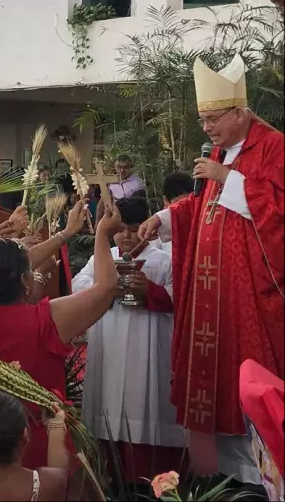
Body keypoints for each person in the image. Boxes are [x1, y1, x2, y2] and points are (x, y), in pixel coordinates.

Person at [138, 55, 284, 484]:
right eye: (202, 121)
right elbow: (203, 205)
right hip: (210, 297)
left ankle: (263, 482)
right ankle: (214, 479)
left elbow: (277, 211)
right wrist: (164, 219)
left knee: (252, 384)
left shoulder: (275, 147)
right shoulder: (220, 151)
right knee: (211, 391)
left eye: (213, 119)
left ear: (240, 113)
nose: (207, 129)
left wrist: (229, 178)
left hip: (251, 298)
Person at [0, 206, 120, 470]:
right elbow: (106, 288)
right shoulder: (47, 319)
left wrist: (65, 234)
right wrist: (102, 234)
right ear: (25, 279)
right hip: (47, 447)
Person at [72, 196, 183, 481]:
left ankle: (145, 483)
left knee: (143, 411)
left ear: (147, 228)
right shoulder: (102, 256)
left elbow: (184, 298)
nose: (125, 236)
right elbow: (79, 284)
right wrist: (108, 289)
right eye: (119, 230)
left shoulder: (164, 260)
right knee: (107, 410)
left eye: (132, 229)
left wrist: (151, 291)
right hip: (109, 346)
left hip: (146, 347)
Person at [156, 172, 194, 257]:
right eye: (179, 203)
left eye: (189, 203)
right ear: (166, 200)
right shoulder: (157, 232)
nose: (184, 208)